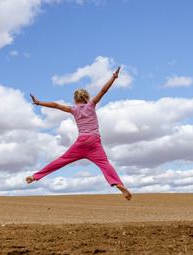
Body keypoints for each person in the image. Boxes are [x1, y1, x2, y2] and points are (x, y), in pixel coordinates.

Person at [26, 67, 132, 201]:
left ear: (75, 101)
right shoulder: (91, 104)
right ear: (87, 98)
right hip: (94, 141)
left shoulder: (73, 109)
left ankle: (35, 176)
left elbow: (56, 105)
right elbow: (104, 90)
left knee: (61, 160)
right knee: (105, 164)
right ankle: (119, 184)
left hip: (81, 141)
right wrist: (113, 77)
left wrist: (39, 102)